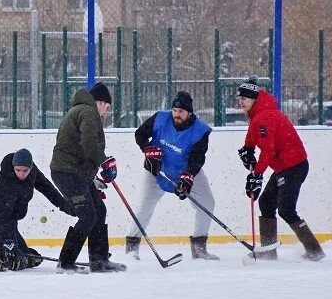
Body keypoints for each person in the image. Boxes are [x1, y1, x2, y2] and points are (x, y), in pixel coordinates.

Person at [237, 76, 325, 261]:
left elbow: (268, 151)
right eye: (240, 98)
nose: (240, 102)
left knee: (286, 209)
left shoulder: (264, 117)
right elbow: (252, 137)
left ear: (254, 99)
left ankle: (314, 251)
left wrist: (257, 174)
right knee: (267, 202)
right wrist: (247, 149)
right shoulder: (258, 114)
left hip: (293, 167)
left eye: (244, 98)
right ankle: (269, 251)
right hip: (283, 168)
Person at [124, 91, 218, 260]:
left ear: (189, 112)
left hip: (185, 171)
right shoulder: (160, 118)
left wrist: (188, 177)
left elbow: (197, 158)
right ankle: (132, 247)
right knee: (145, 205)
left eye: (181, 111)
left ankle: (199, 248)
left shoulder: (201, 131)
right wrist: (147, 149)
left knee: (207, 203)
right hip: (157, 170)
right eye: (175, 110)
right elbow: (140, 134)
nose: (176, 114)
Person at [49, 82, 126, 274]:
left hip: (74, 172)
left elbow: (81, 149)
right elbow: (89, 144)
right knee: (88, 216)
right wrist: (104, 161)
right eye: (106, 108)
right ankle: (65, 263)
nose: (105, 113)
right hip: (68, 173)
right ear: (99, 102)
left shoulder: (81, 111)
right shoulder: (88, 112)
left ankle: (99, 260)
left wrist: (94, 177)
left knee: (99, 210)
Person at [0, 148, 76, 272]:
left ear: (30, 167)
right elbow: (1, 216)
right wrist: (7, 241)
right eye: (18, 170)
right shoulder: (4, 183)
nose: (21, 174)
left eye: (25, 170)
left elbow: (47, 188)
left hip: (11, 223)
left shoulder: (33, 173)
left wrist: (64, 205)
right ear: (13, 167)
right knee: (14, 261)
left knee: (31, 259)